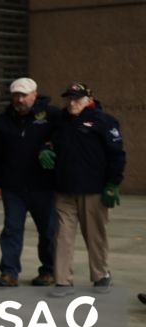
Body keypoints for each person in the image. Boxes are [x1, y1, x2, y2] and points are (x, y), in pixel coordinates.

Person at [40, 82, 126, 296]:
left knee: (95, 234)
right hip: (64, 189)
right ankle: (63, 281)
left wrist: (113, 183)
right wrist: (44, 149)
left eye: (77, 98)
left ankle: (101, 275)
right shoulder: (60, 120)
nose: (72, 103)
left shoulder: (103, 121)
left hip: (93, 189)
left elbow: (117, 154)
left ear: (89, 99)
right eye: (69, 98)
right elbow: (48, 141)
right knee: (63, 236)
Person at [0, 77, 60, 287]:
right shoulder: (1, 121)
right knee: (11, 229)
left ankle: (48, 271)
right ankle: (9, 273)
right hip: (13, 187)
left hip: (43, 186)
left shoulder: (52, 116)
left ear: (34, 95)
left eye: (24, 95)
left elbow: (65, 136)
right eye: (16, 95)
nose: (20, 99)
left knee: (47, 231)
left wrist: (51, 146)